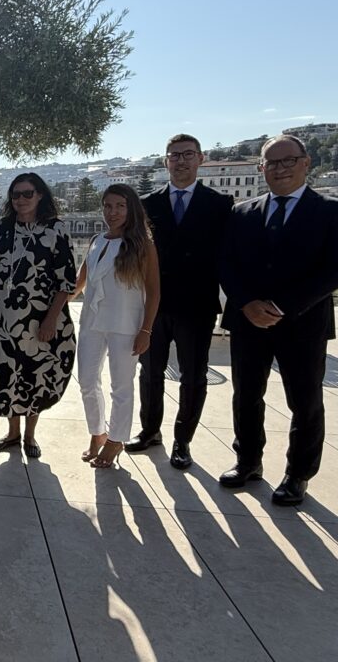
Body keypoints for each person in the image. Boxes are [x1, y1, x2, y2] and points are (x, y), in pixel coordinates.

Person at [219, 135, 338, 505]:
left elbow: (332, 270)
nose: (280, 169)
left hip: (303, 324)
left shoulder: (330, 212)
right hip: (248, 321)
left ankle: (298, 474)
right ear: (262, 168)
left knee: (305, 401)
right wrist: (246, 303)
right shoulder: (242, 213)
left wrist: (281, 306)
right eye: (272, 162)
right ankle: (247, 461)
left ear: (306, 162)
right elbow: (226, 263)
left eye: (288, 161)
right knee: (246, 395)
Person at [127, 134, 233, 469]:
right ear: (166, 161)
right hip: (154, 305)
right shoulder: (147, 204)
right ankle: (149, 431)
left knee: (193, 375)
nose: (181, 161)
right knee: (149, 372)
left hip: (197, 305)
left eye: (188, 154)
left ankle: (183, 440)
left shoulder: (220, 204)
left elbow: (227, 256)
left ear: (200, 158)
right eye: (174, 155)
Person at [0, 173, 76, 458]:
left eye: (27, 193)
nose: (21, 199)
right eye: (16, 194)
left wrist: (50, 320)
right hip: (3, 320)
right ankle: (12, 433)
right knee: (8, 375)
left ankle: (30, 436)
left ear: (40, 195)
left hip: (40, 319)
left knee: (36, 375)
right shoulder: (1, 230)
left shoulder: (55, 229)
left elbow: (66, 281)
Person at [74, 184, 160, 469]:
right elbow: (79, 283)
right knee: (87, 381)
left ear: (131, 208)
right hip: (92, 322)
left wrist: (146, 330)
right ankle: (97, 432)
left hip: (126, 324)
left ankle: (116, 439)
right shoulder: (97, 240)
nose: (113, 212)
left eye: (120, 206)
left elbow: (154, 291)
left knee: (121, 386)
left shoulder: (143, 245)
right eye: (108, 206)